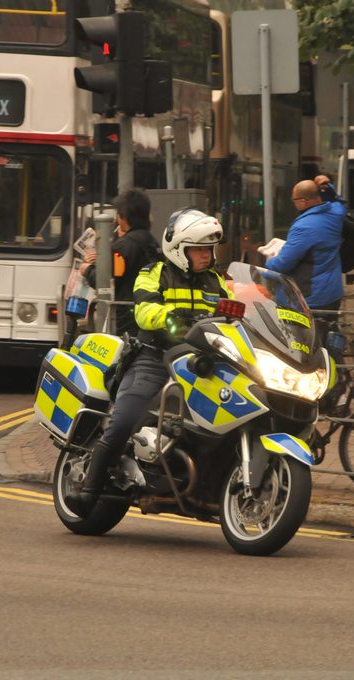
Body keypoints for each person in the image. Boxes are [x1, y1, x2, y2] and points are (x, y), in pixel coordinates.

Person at [65, 208, 232, 518]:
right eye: (199, 249)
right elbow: (144, 312)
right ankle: (87, 490)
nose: (206, 256)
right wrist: (171, 320)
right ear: (180, 250)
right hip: (154, 359)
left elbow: (234, 317)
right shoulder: (154, 272)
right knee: (125, 422)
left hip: (198, 365)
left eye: (208, 249)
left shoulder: (216, 282)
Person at [79, 188, 160, 335]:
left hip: (126, 320)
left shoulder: (124, 246)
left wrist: (87, 270)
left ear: (123, 217)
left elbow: (107, 280)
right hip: (147, 314)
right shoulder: (152, 242)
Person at [265, 176, 345, 318]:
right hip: (333, 294)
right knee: (329, 335)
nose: (294, 203)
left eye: (294, 200)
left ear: (302, 202)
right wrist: (327, 186)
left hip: (310, 299)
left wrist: (269, 262)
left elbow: (282, 264)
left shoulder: (304, 227)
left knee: (305, 339)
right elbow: (337, 201)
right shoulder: (335, 214)